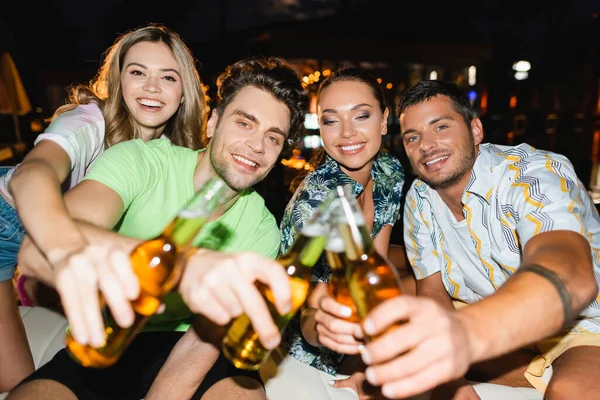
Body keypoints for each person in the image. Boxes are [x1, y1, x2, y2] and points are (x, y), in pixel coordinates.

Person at [9, 56, 309, 400]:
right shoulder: (141, 161)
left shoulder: (261, 231)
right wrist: (178, 266)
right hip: (109, 334)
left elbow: (199, 346)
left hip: (187, 346)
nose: (257, 146)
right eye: (245, 123)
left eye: (273, 138)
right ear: (212, 123)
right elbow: (37, 251)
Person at [357, 80, 600, 400]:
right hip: (495, 322)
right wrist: (451, 377)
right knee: (390, 304)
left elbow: (571, 275)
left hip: (578, 325)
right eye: (413, 137)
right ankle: (526, 371)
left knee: (571, 389)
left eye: (440, 126)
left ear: (475, 131)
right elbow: (431, 289)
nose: (426, 145)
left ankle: (535, 371)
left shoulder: (532, 173)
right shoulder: (420, 196)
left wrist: (463, 337)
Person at [0, 23, 207, 392]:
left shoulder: (176, 155)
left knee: (20, 385)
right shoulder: (89, 121)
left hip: (33, 249)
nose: (152, 87)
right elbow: (33, 173)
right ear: (118, 80)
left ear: (184, 93)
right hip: (8, 222)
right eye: (137, 72)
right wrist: (65, 248)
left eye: (168, 77)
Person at [279, 67, 407, 399]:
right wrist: (334, 339)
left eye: (361, 116)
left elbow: (374, 267)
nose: (346, 133)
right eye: (331, 120)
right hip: (303, 354)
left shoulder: (389, 170)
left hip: (363, 336)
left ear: (383, 120)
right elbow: (306, 313)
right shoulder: (315, 205)